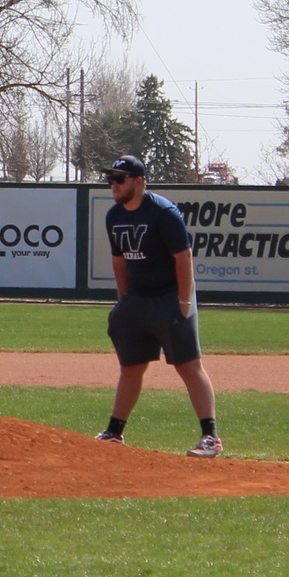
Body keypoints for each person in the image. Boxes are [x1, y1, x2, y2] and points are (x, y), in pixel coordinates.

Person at [95, 155, 219, 456]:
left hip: (169, 295)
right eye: (111, 179)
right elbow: (119, 260)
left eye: (120, 179)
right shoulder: (114, 216)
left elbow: (183, 257)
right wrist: (124, 301)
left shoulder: (163, 213)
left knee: (188, 366)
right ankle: (115, 431)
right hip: (138, 297)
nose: (114, 184)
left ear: (138, 182)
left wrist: (184, 301)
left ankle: (210, 438)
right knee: (131, 367)